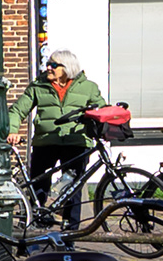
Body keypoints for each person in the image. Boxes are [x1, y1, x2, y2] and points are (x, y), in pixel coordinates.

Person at [24, 48, 108, 223]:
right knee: (38, 183)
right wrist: (11, 130)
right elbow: (18, 109)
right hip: (46, 141)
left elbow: (102, 110)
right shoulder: (38, 86)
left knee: (73, 188)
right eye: (48, 64)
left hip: (76, 141)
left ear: (67, 68)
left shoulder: (88, 88)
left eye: (54, 65)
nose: (48, 68)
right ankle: (35, 221)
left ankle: (71, 229)